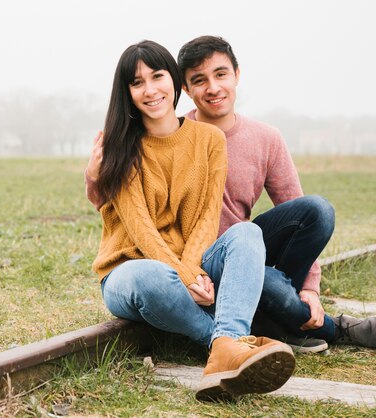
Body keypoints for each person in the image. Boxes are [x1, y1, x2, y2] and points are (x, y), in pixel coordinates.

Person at [86, 35, 376, 352]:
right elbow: (126, 216)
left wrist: (310, 288)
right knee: (262, 285)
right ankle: (257, 338)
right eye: (199, 80)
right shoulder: (126, 144)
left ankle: (265, 317)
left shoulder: (223, 139)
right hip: (178, 265)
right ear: (186, 88)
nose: (212, 87)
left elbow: (251, 214)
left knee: (307, 217)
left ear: (237, 74)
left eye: (220, 74)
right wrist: (93, 178)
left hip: (227, 256)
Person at [93, 39, 295, 400]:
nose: (150, 90)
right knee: (150, 276)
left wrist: (193, 271)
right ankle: (225, 345)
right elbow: (142, 233)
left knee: (246, 233)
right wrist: (188, 279)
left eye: (157, 76)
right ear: (127, 92)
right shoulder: (119, 146)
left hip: (191, 264)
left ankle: (225, 345)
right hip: (131, 270)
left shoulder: (209, 139)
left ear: (174, 81)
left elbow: (205, 219)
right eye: (137, 82)